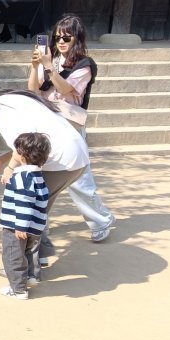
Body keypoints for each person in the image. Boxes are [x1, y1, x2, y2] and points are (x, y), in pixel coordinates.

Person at [0, 76, 89, 273]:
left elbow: (24, 145)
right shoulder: (16, 98)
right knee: (38, 210)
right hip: (76, 159)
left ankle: (23, 270)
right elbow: (29, 141)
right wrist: (2, 160)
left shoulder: (0, 109)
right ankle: (40, 256)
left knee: (21, 215)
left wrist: (10, 169)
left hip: (59, 163)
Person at [29, 13, 115, 243]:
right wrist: (36, 66)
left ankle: (101, 220)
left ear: (77, 38)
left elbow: (66, 89)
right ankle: (40, 225)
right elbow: (33, 89)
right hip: (46, 123)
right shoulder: (51, 60)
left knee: (78, 179)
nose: (61, 42)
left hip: (69, 127)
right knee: (40, 175)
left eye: (66, 37)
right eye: (57, 37)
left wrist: (49, 67)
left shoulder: (85, 65)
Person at [0, 133, 50, 300]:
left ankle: (18, 290)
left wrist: (20, 226)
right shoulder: (37, 176)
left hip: (17, 226)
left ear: (21, 155)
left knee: (12, 255)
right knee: (28, 252)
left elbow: (24, 203)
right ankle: (30, 276)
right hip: (35, 226)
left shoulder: (22, 178)